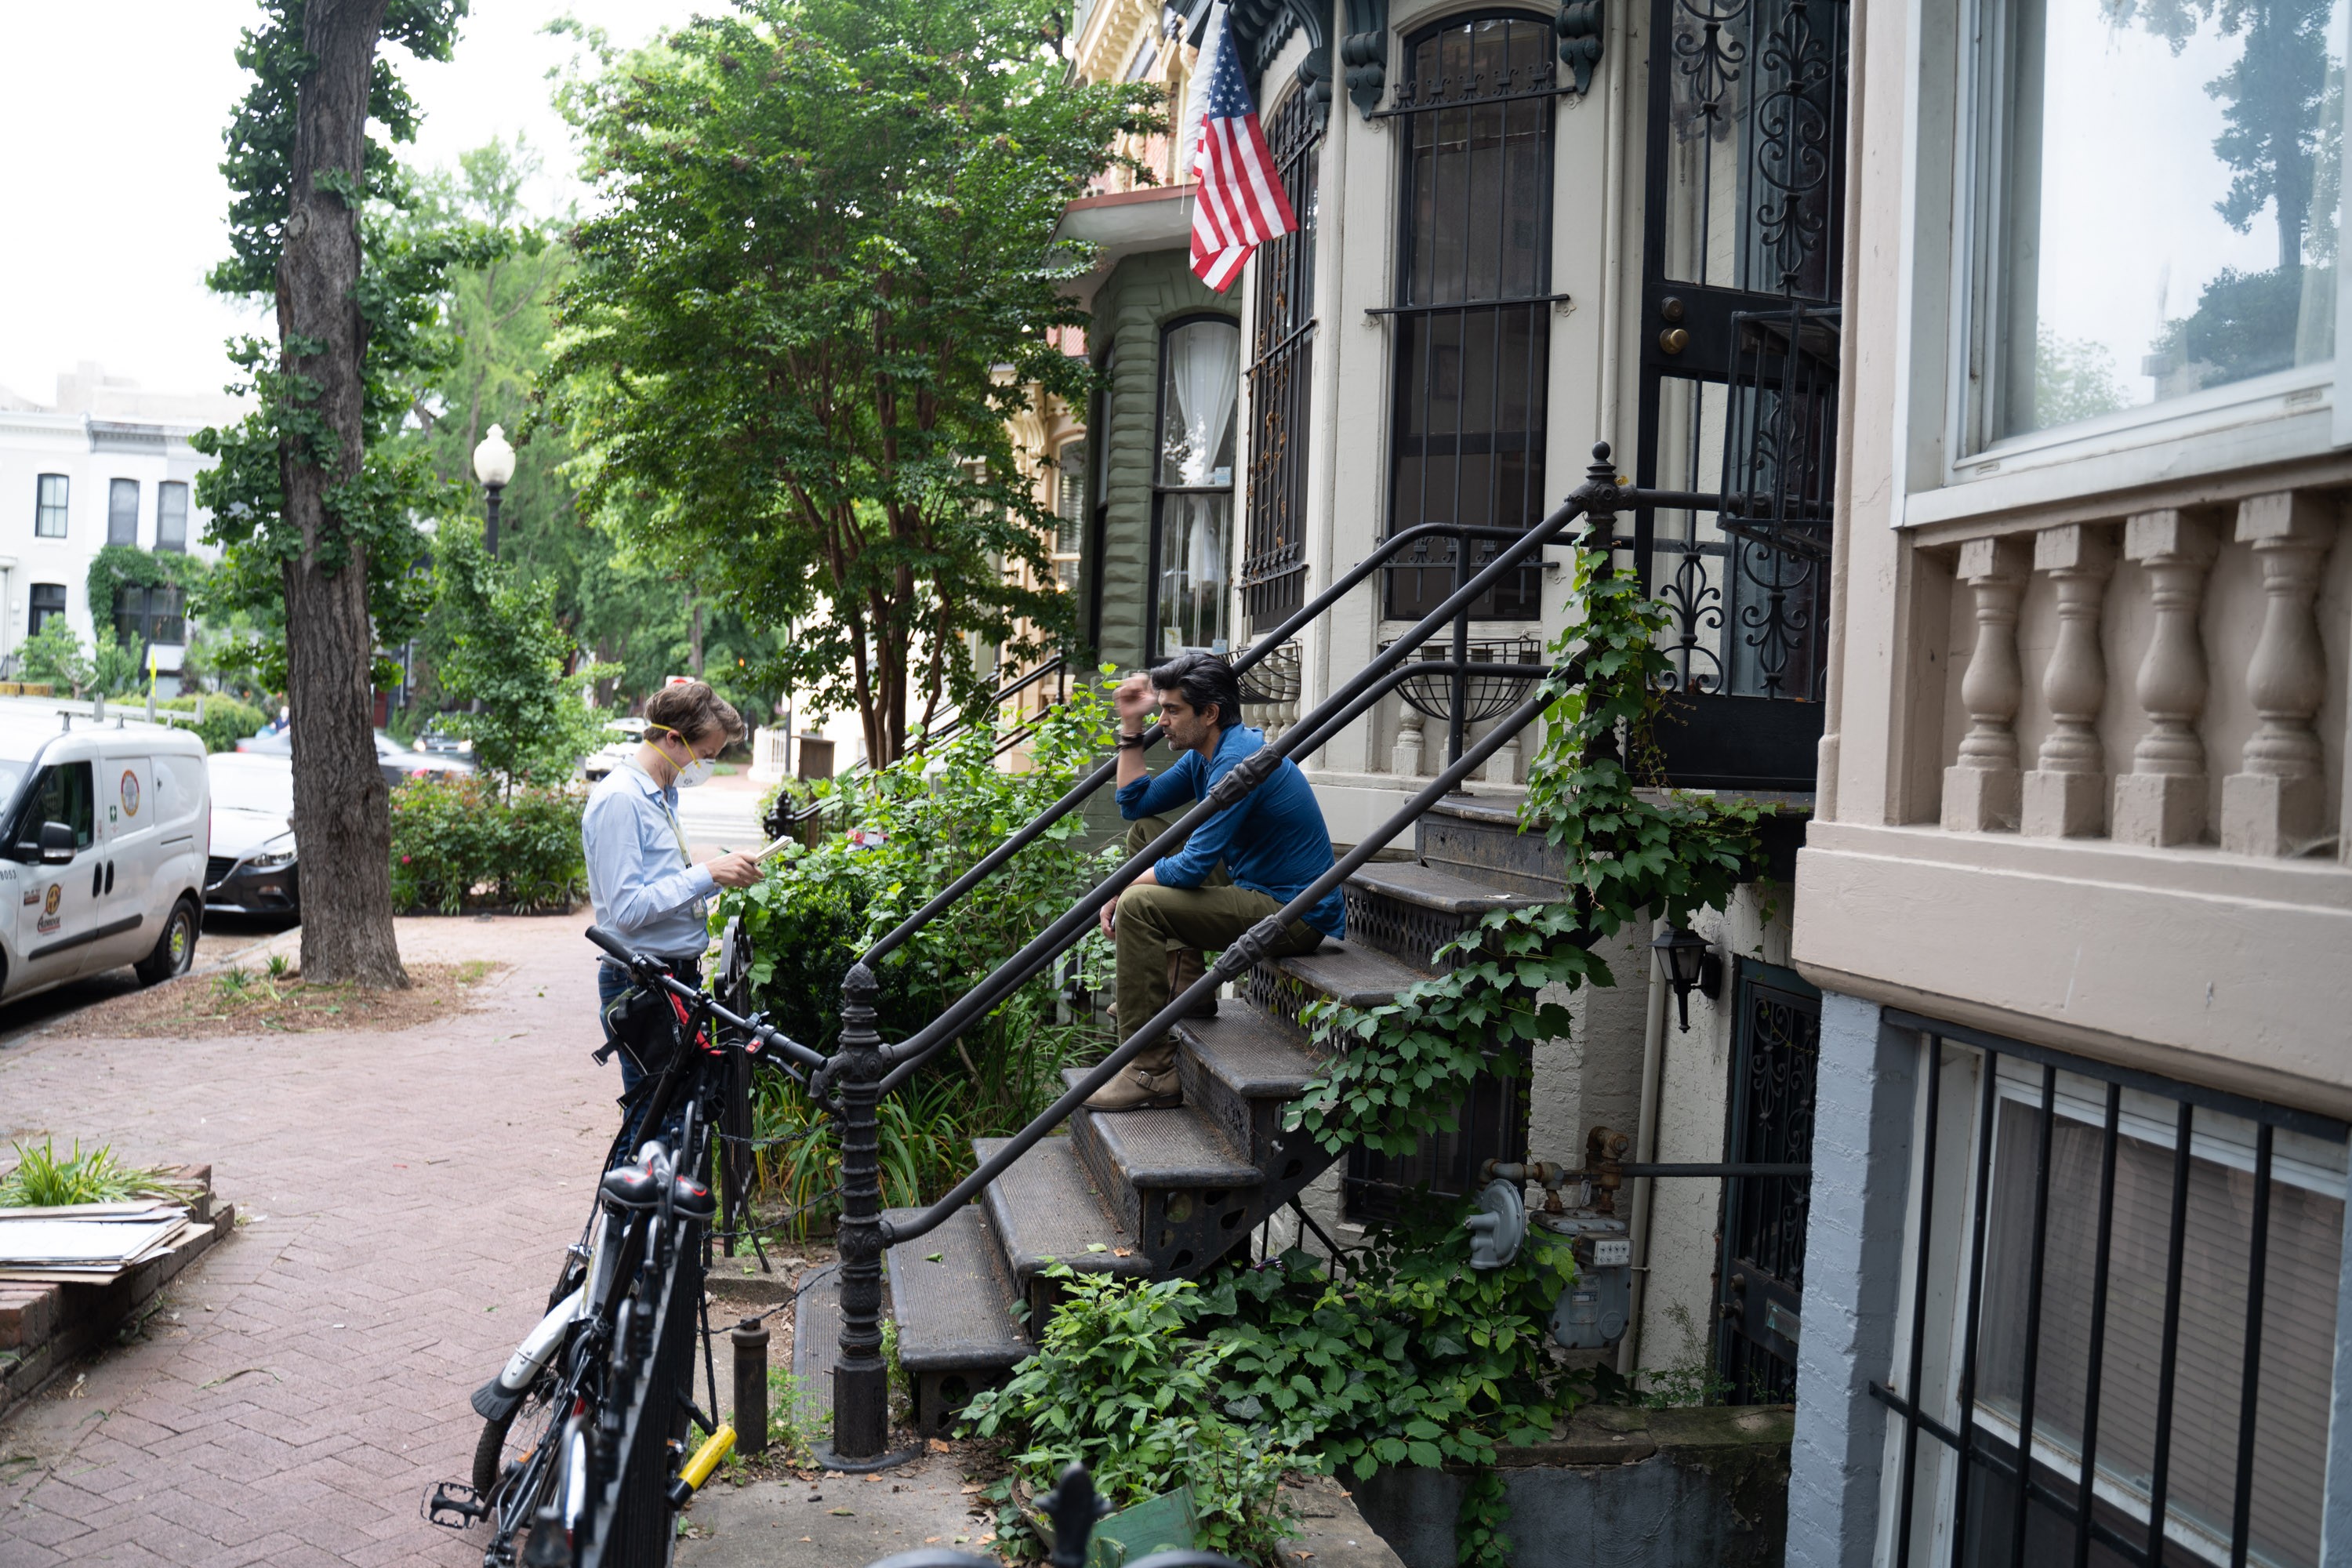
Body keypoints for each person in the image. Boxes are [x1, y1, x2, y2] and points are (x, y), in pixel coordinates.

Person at [1090, 652, 1344, 1112]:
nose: (1160, 721)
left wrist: (1122, 889)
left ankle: (1151, 1070)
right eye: (1160, 709)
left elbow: (1189, 868)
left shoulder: (1237, 761)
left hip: (1293, 912)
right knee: (1146, 835)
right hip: (1254, 883)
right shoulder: (1207, 753)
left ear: (1208, 713)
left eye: (1172, 711)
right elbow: (1135, 803)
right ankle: (1187, 989)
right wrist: (1129, 725)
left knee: (1138, 905)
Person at [582, 681, 760, 1095]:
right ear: (674, 739)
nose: (708, 766)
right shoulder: (621, 800)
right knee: (655, 1120)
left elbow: (661, 887)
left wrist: (721, 875)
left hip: (671, 976)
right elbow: (626, 909)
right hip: (641, 980)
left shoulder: (661, 795)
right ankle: (631, 1167)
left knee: (673, 1119)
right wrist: (707, 874)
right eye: (707, 755)